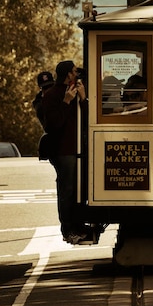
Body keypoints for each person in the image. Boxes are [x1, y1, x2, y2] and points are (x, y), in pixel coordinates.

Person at [41, 60, 91, 245]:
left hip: (78, 148)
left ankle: (79, 225)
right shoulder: (52, 95)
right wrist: (66, 102)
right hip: (63, 150)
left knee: (80, 188)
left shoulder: (77, 90)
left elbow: (87, 120)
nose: (76, 73)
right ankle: (68, 229)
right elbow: (53, 124)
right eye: (74, 71)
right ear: (68, 74)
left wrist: (83, 98)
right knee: (67, 190)